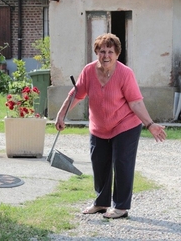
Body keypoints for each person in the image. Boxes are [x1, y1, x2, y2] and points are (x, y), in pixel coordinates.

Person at [55, 33, 166, 219]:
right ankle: (101, 203)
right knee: (100, 164)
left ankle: (121, 207)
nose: (106, 55)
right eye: (101, 51)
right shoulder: (89, 71)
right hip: (99, 127)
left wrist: (150, 124)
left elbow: (136, 103)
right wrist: (61, 115)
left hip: (125, 125)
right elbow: (76, 94)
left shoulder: (125, 73)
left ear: (117, 54)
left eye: (110, 52)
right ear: (96, 52)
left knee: (122, 163)